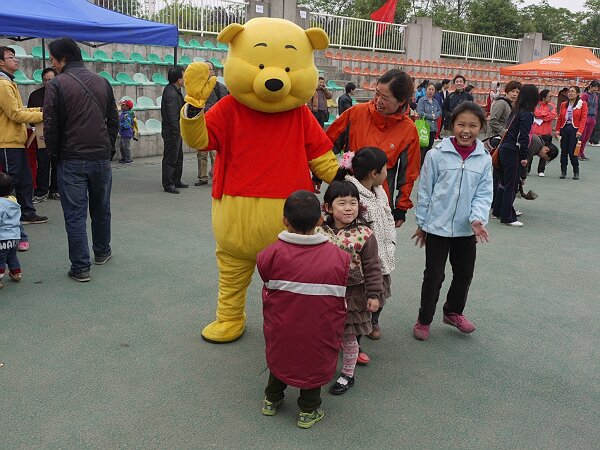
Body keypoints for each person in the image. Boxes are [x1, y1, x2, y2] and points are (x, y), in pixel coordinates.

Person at [257, 190, 350, 429]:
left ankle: (271, 399)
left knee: (281, 357)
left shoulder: (270, 254)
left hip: (282, 325)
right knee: (312, 365)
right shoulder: (339, 258)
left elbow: (267, 280)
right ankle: (308, 411)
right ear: (320, 219)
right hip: (319, 330)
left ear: (285, 220)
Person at [412, 102, 492, 341]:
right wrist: (423, 223)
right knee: (434, 275)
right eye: (461, 124)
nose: (466, 130)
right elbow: (425, 190)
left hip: (466, 230)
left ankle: (453, 312)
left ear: (481, 128)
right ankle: (424, 319)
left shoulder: (484, 159)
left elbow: (484, 193)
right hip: (437, 227)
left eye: (472, 125)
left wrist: (477, 219)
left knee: (464, 273)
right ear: (452, 126)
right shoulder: (437, 155)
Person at [44, 37, 118, 282]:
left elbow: (51, 125)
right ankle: (102, 251)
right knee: (101, 208)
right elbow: (113, 121)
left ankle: (80, 267)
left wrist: (54, 155)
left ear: (63, 59)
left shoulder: (57, 85)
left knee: (75, 215)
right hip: (100, 157)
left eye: (54, 59)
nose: (52, 64)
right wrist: (107, 149)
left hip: (72, 158)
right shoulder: (102, 82)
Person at [326, 69, 421, 227]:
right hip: (346, 198)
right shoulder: (356, 113)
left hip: (380, 201)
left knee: (376, 249)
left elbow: (408, 173)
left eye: (385, 98)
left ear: (402, 101)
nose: (378, 100)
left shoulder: (408, 130)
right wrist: (316, 175)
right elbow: (328, 144)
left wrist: (401, 208)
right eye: (377, 93)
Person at [317, 181, 382, 395]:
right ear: (328, 207)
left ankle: (347, 374)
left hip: (353, 294)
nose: (348, 208)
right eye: (341, 203)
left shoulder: (365, 234)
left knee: (348, 336)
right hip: (324, 293)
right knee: (325, 333)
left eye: (353, 203)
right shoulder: (318, 231)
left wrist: (373, 294)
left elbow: (373, 267)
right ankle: (323, 367)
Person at [339, 148, 395, 346]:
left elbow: (387, 217)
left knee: (380, 294)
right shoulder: (353, 195)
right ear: (374, 173)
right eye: (385, 169)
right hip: (362, 263)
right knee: (359, 303)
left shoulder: (379, 191)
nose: (387, 173)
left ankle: (373, 323)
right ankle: (354, 341)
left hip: (383, 255)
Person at [0, 46, 47, 225]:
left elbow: (20, 110)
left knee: (25, 181)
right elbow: (16, 114)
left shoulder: (9, 82)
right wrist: (44, 114)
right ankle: (9, 218)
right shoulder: (3, 84)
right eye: (11, 57)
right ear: (1, 62)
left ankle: (27, 213)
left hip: (16, 142)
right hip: (7, 142)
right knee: (11, 182)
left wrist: (41, 110)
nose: (16, 60)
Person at [492, 84, 538, 227]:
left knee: (503, 182)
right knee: (511, 184)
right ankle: (507, 216)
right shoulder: (527, 114)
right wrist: (524, 156)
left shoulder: (516, 110)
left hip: (505, 148)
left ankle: (498, 210)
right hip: (513, 150)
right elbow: (523, 137)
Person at [28, 68, 59, 202]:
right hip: (41, 135)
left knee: (57, 164)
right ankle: (41, 191)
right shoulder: (35, 95)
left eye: (50, 80)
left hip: (58, 135)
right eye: (45, 80)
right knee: (43, 164)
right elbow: (29, 116)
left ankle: (55, 190)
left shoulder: (62, 94)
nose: (47, 83)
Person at [195, 61, 228, 186]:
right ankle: (202, 177)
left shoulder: (220, 87)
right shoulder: (198, 87)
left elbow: (225, 106)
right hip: (201, 124)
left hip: (215, 125)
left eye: (209, 69)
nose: (206, 72)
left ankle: (216, 176)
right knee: (201, 153)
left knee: (214, 153)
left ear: (214, 72)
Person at [161, 65, 187, 194]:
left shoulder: (174, 90)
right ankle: (168, 183)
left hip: (176, 130)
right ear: (178, 79)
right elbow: (172, 115)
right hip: (172, 131)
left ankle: (176, 180)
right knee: (171, 157)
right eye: (184, 76)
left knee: (178, 156)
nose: (185, 79)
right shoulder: (171, 93)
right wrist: (176, 130)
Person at [555, 86, 588, 180]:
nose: (570, 93)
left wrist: (580, 131)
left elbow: (583, 119)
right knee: (564, 151)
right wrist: (557, 130)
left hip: (575, 130)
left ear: (578, 93)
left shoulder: (582, 104)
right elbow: (560, 118)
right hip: (564, 129)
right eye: (569, 92)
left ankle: (576, 171)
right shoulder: (563, 104)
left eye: (572, 91)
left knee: (573, 152)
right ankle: (563, 171)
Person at [0, 173, 22, 288]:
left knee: (1, 258)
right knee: (12, 256)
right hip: (14, 236)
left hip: (2, 237)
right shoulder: (13, 201)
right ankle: (16, 272)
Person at [531, 89, 557, 176]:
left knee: (545, 152)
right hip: (534, 132)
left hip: (546, 133)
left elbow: (552, 116)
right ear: (543, 97)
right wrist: (545, 114)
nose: (551, 98)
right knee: (530, 150)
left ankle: (541, 170)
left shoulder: (552, 106)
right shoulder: (535, 104)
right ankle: (527, 169)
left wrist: (542, 116)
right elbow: (536, 113)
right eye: (549, 96)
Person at [416, 82, 442, 164]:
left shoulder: (435, 101)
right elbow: (420, 112)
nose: (431, 91)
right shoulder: (422, 100)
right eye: (429, 89)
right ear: (426, 90)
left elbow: (439, 111)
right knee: (422, 148)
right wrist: (432, 116)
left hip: (433, 128)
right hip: (424, 127)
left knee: (429, 147)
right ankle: (420, 166)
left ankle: (427, 165)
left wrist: (435, 116)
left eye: (432, 90)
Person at [578, 80, 599, 161]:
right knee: (582, 137)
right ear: (590, 86)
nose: (596, 89)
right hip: (585, 117)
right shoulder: (585, 95)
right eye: (594, 87)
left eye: (597, 87)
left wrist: (595, 117)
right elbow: (581, 106)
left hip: (592, 117)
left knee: (586, 137)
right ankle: (578, 152)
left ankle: (582, 152)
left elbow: (596, 107)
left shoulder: (595, 96)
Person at [118, 100, 135, 164]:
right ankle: (124, 157)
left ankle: (129, 158)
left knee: (126, 147)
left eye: (123, 105)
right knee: (121, 146)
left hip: (127, 133)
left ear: (128, 107)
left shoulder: (127, 115)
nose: (121, 106)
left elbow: (127, 125)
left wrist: (119, 124)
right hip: (123, 133)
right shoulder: (123, 114)